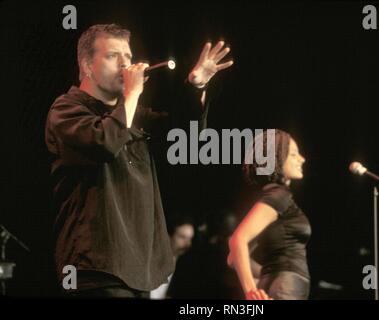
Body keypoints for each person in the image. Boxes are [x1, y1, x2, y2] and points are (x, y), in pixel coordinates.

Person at [45, 23, 233, 298]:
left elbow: (186, 136)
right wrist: (131, 94)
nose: (125, 64)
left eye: (129, 57)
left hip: (138, 269)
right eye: (113, 56)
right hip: (95, 267)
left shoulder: (134, 114)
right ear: (87, 65)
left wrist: (196, 85)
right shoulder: (66, 109)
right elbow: (104, 142)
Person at [227, 129, 311, 300]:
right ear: (277, 159)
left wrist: (269, 273)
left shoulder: (276, 198)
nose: (302, 159)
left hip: (280, 286)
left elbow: (232, 259)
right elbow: (238, 240)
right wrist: (251, 290)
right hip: (286, 289)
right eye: (294, 154)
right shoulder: (278, 196)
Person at [150, 216, 195, 299]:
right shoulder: (150, 259)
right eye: (182, 237)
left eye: (190, 239)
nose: (188, 244)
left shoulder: (187, 267)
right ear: (168, 236)